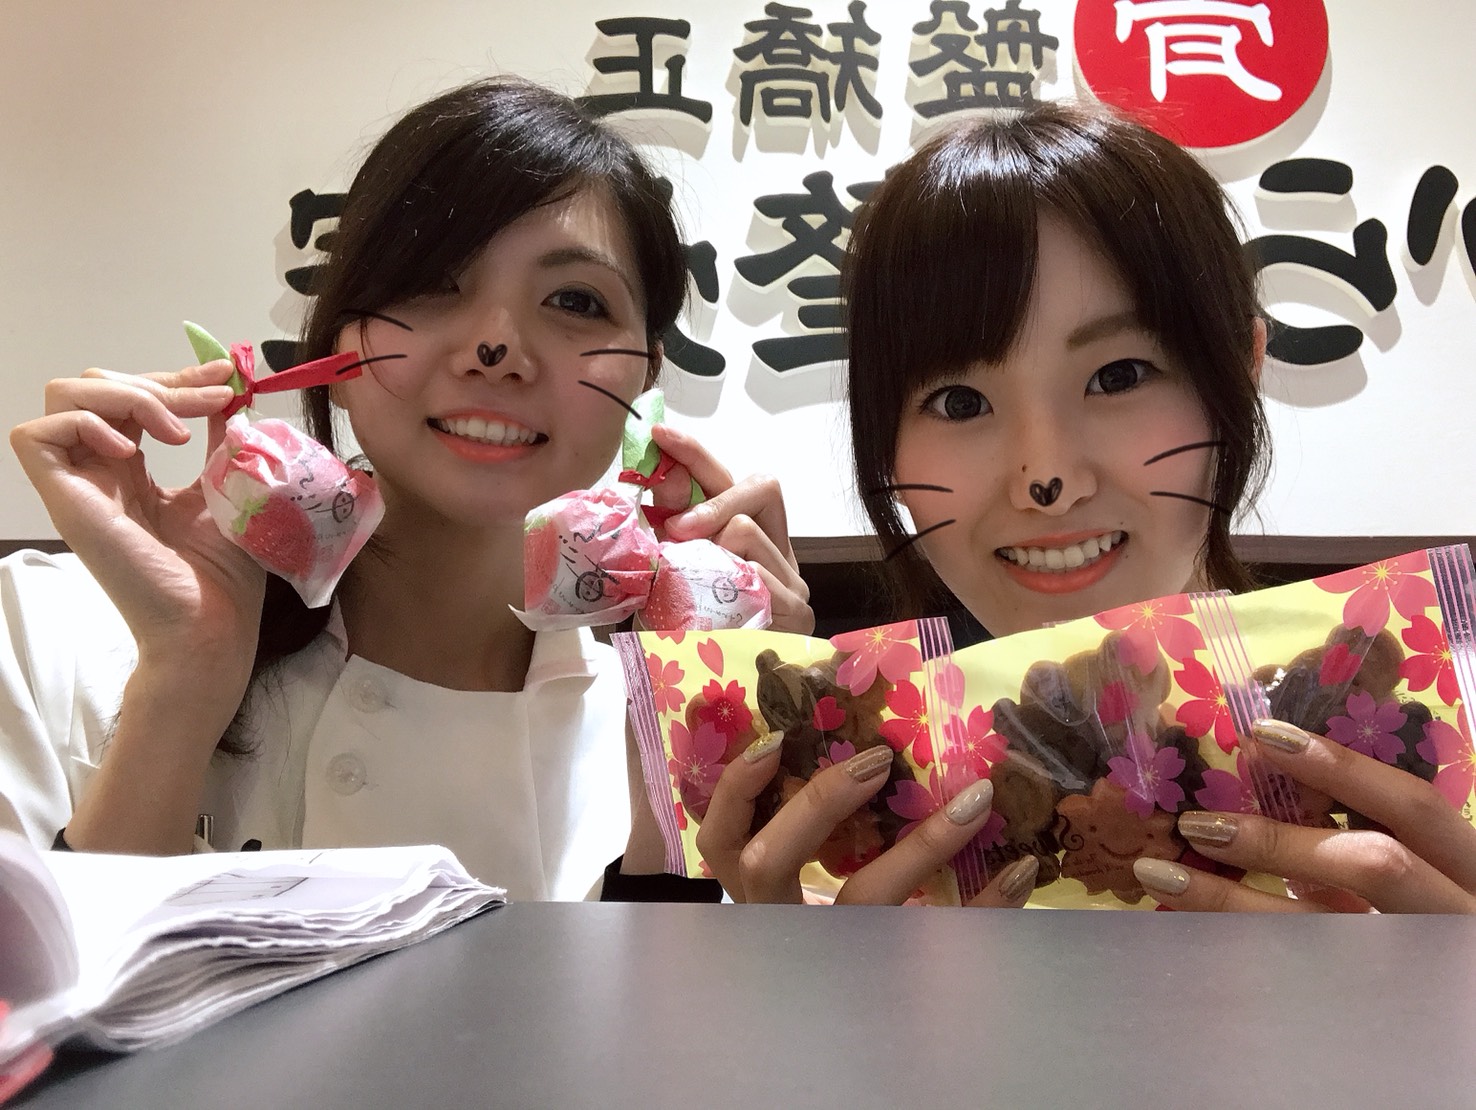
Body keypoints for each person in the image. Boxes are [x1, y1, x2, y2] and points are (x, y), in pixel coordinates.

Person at [2, 76, 811, 902]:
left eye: (575, 300)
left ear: (646, 376)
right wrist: (183, 677)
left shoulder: (659, 727)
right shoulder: (56, 632)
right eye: (431, 280)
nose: (497, 347)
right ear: (336, 344)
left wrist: (702, 748)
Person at [698, 100, 1476, 913]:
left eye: (1119, 376)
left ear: (1240, 368)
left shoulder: (1428, 770)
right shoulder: (835, 850)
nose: (1046, 477)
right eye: (960, 402)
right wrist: (787, 973)